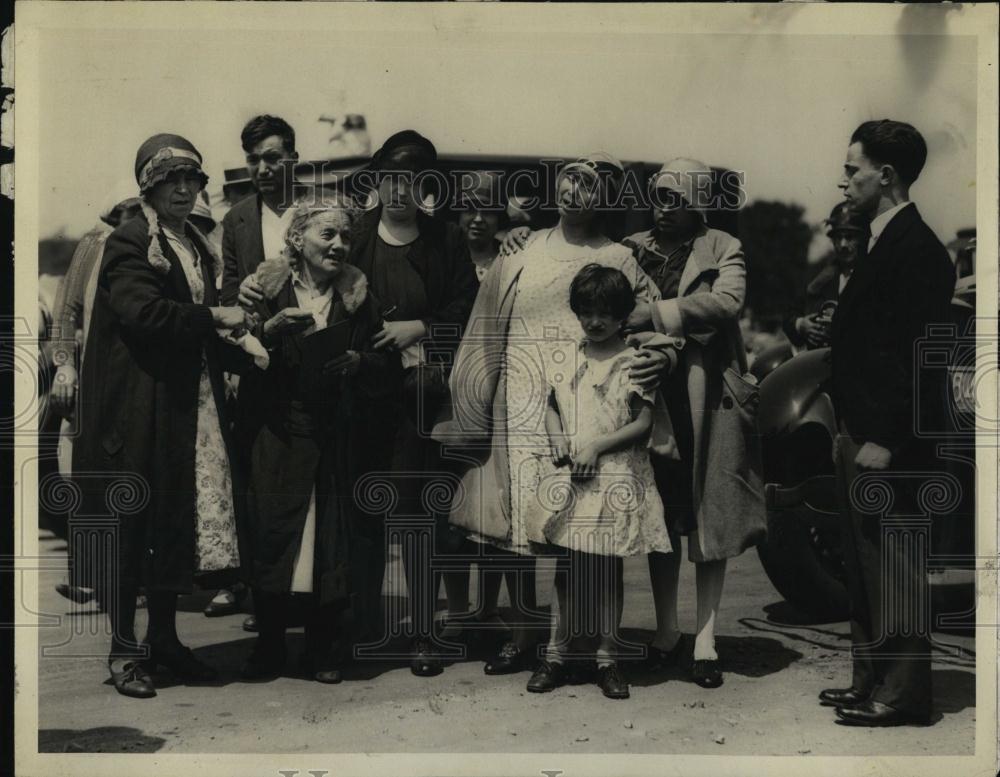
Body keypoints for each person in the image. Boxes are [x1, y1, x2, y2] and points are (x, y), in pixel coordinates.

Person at [435, 153, 668, 688]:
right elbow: (486, 318)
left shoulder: (621, 257)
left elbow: (649, 323)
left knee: (586, 528)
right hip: (521, 395)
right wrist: (473, 397)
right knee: (518, 523)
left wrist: (662, 356)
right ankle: (523, 635)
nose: (574, 195)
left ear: (604, 199)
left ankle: (592, 645)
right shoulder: (522, 245)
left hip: (589, 399)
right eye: (568, 183)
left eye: (588, 188)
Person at [74, 133, 255, 698]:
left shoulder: (195, 244)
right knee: (132, 527)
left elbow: (204, 326)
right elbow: (145, 314)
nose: (183, 189)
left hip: (186, 405)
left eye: (192, 180)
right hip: (137, 406)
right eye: (170, 180)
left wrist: (254, 339)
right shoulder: (129, 242)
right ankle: (124, 650)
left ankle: (166, 641)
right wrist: (216, 316)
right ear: (147, 188)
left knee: (174, 524)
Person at [237, 199, 402, 683]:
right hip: (278, 434)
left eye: (345, 237)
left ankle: (322, 649)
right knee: (274, 535)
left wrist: (358, 363)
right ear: (296, 240)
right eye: (327, 235)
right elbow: (233, 357)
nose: (338, 245)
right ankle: (268, 648)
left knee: (329, 542)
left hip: (334, 437)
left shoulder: (358, 296)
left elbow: (386, 364)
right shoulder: (264, 289)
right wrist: (267, 333)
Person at [825, 119, 955, 727]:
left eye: (853, 170)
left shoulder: (919, 250)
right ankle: (870, 679)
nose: (844, 180)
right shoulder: (882, 243)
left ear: (887, 175)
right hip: (859, 430)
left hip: (888, 441)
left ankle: (903, 694)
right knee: (865, 562)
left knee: (896, 566)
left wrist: (887, 438)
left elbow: (923, 358)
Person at [624, 157, 767, 689]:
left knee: (708, 515)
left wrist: (655, 318)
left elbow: (727, 302)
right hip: (648, 395)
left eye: (677, 201)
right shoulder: (631, 246)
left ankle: (705, 640)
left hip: (704, 399)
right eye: (660, 197)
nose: (664, 209)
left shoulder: (723, 247)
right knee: (661, 515)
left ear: (698, 203)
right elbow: (612, 307)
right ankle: (666, 632)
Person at [348, 129, 479, 675]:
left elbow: (468, 309)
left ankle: (425, 631)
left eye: (411, 180)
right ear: (376, 182)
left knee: (419, 515)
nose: (399, 190)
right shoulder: (352, 238)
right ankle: (363, 629)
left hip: (419, 401)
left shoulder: (445, 240)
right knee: (360, 513)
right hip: (357, 397)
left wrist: (419, 328)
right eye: (390, 178)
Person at [538, 264, 672, 699]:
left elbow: (643, 424)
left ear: (622, 315)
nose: (595, 322)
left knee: (606, 569)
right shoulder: (570, 355)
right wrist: (558, 435)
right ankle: (557, 655)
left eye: (605, 314)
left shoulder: (633, 361)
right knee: (568, 569)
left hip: (612, 475)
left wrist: (597, 446)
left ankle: (607, 657)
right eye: (586, 313)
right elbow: (551, 403)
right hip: (575, 476)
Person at [217, 114, 303, 624]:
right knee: (260, 487)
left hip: (313, 360)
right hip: (260, 362)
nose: (264, 168)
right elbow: (226, 292)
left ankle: (312, 601)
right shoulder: (237, 219)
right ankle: (267, 601)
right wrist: (243, 294)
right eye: (254, 160)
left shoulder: (321, 207)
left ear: (293, 156)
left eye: (273, 157)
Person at [47, 189, 142, 605]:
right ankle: (90, 573)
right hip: (90, 379)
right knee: (79, 471)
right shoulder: (94, 244)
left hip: (138, 381)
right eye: (128, 212)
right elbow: (66, 312)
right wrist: (65, 365)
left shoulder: (161, 245)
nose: (135, 218)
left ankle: (128, 581)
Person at [783, 201, 869, 350]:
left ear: (862, 238)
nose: (843, 244)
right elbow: (789, 315)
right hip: (819, 363)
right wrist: (801, 325)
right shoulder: (817, 276)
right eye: (838, 237)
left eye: (850, 237)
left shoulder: (874, 274)